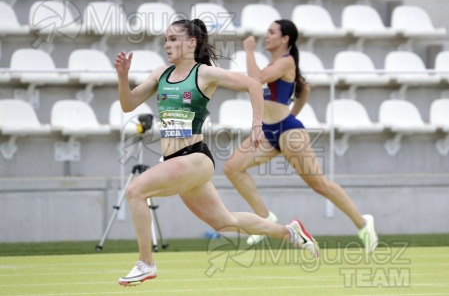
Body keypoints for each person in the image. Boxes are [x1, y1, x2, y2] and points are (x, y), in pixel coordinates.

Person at [114, 19, 319, 286]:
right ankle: (290, 233)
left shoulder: (204, 74)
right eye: (166, 39)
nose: (167, 44)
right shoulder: (160, 74)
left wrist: (256, 125)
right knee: (225, 223)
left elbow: (254, 85)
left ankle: (146, 263)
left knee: (135, 191)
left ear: (191, 43)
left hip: (195, 157)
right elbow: (128, 104)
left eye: (174, 39)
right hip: (173, 160)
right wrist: (122, 77)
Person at [223, 20, 378, 253]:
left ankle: (363, 223)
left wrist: (248, 50)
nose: (266, 35)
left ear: (285, 39)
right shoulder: (277, 63)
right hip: (268, 132)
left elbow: (257, 79)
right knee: (232, 168)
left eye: (271, 32)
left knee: (319, 184)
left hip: (289, 132)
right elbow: (305, 88)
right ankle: (265, 216)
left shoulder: (286, 61)